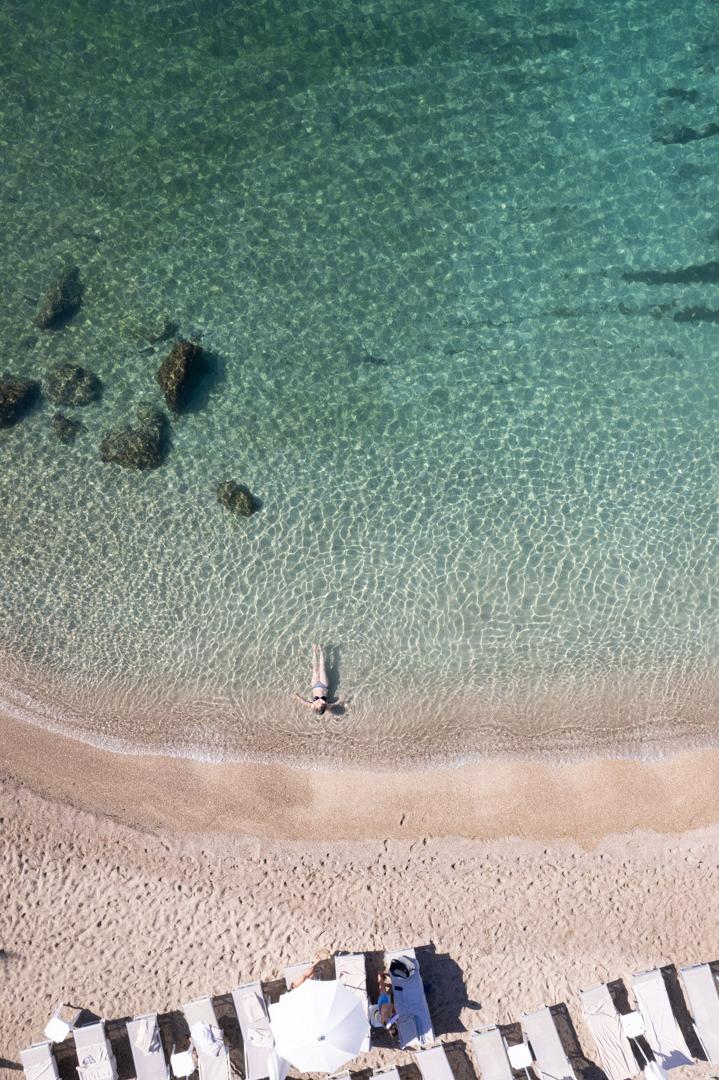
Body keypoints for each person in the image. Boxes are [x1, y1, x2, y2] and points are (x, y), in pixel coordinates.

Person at [292, 644, 345, 715]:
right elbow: (336, 703)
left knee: (315, 669)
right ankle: (321, 650)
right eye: (322, 708)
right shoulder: (327, 706)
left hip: (314, 685)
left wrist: (297, 697)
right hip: (324, 685)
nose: (321, 706)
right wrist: (342, 698)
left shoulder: (313, 705)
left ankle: (314, 651)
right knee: (322, 668)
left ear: (316, 709)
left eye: (320, 708)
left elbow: (304, 702)